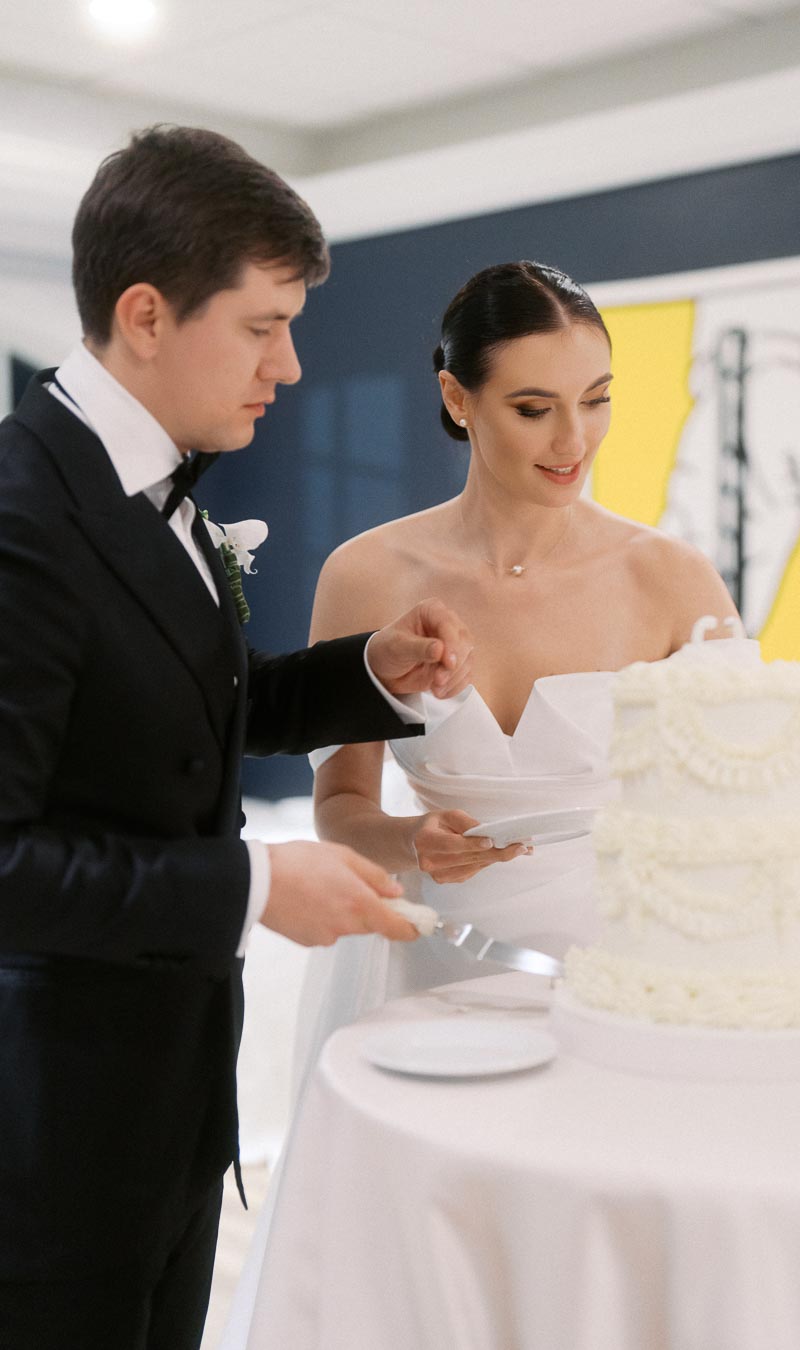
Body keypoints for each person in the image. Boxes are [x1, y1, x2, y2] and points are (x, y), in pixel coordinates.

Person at [224, 259, 800, 1348]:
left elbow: (771, 818)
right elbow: (343, 807)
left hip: (624, 990)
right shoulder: (369, 572)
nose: (571, 441)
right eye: (533, 408)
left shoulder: (669, 577)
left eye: (596, 401)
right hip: (430, 981)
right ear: (458, 399)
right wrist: (411, 838)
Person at [0, 125, 477, 1350]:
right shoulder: (20, 514)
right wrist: (257, 880)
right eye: (264, 325)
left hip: (166, 1116)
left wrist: (371, 672)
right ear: (147, 314)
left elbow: (195, 705)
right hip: (44, 1147)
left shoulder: (157, 485)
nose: (294, 363)